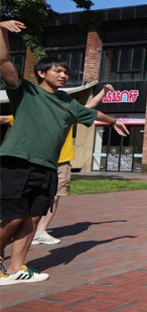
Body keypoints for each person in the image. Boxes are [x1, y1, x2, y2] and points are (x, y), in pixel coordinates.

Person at [0, 20, 129, 285]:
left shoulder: (68, 103)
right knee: (12, 217)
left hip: (47, 166)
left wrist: (114, 122)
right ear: (41, 73)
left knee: (33, 217)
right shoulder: (25, 92)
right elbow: (3, 61)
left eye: (65, 72)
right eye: (57, 71)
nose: (63, 75)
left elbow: (93, 113)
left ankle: (16, 268)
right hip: (19, 161)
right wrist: (0, 29)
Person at [30, 84, 116, 246]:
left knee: (55, 197)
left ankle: (40, 231)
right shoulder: (39, 112)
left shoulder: (69, 112)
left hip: (63, 160)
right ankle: (27, 230)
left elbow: (90, 107)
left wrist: (103, 92)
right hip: (41, 159)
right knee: (33, 196)